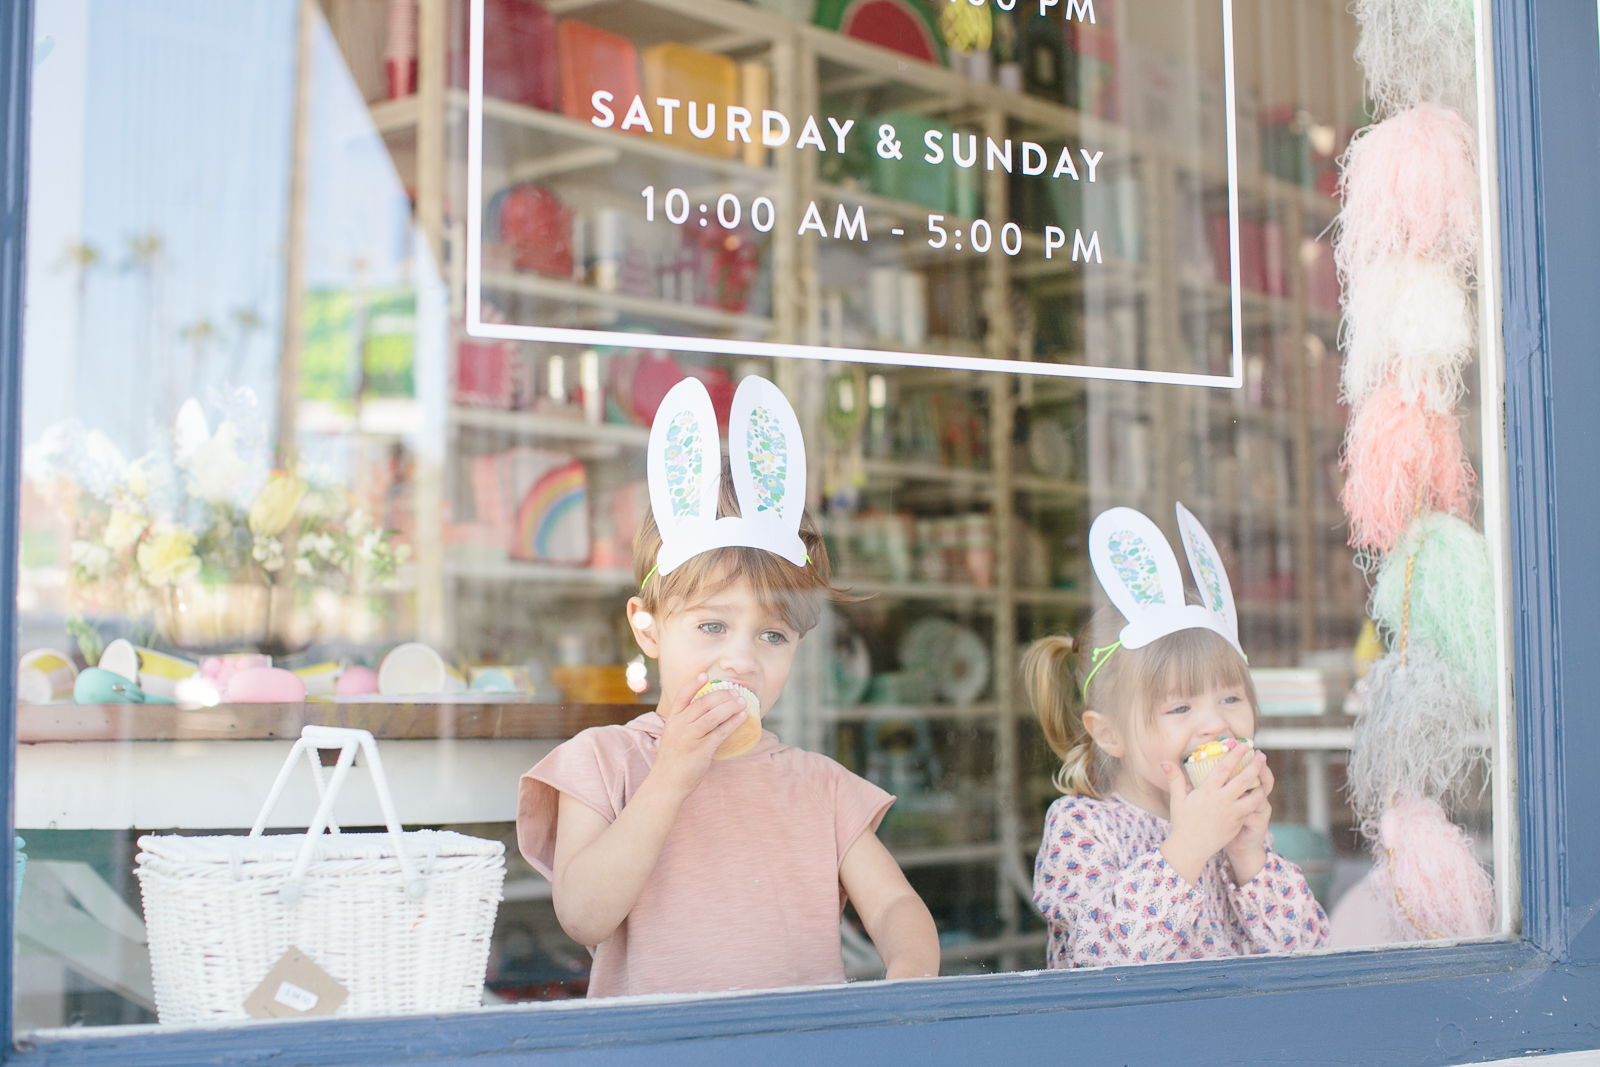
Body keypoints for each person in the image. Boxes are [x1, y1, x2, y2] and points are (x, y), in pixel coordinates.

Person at [517, 376, 938, 998]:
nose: (740, 659)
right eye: (712, 626)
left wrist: (909, 976)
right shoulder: (604, 764)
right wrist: (672, 774)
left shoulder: (820, 787)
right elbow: (583, 914)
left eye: (772, 637)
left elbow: (896, 907)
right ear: (648, 627)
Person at [1024, 505, 1330, 968]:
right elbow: (1097, 958)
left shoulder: (1237, 835)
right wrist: (1187, 847)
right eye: (1180, 707)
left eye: (1230, 699)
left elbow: (1313, 958)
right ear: (1109, 735)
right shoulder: (1081, 829)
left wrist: (1249, 853)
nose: (1215, 724)